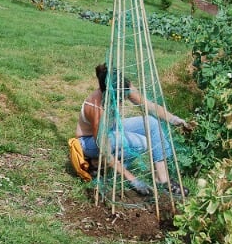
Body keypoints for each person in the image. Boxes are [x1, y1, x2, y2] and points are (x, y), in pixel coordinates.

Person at [75, 63, 190, 196]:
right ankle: (95, 162)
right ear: (106, 92)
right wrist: (133, 180)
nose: (121, 100)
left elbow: (149, 106)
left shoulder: (124, 86)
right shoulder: (96, 108)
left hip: (112, 129)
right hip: (90, 142)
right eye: (118, 98)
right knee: (143, 143)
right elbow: (104, 148)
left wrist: (174, 119)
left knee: (151, 123)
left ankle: (163, 180)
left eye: (123, 96)